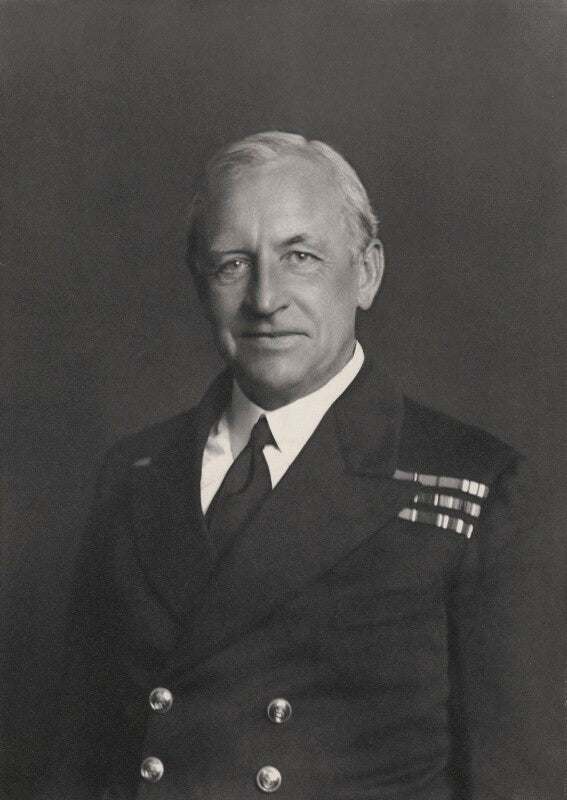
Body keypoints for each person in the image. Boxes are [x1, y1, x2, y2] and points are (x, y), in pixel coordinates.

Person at [50, 132, 560, 800]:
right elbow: (75, 763)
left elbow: (517, 780)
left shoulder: (478, 488)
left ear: (366, 273)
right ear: (199, 283)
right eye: (233, 264)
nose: (265, 299)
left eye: (300, 257)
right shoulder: (134, 472)